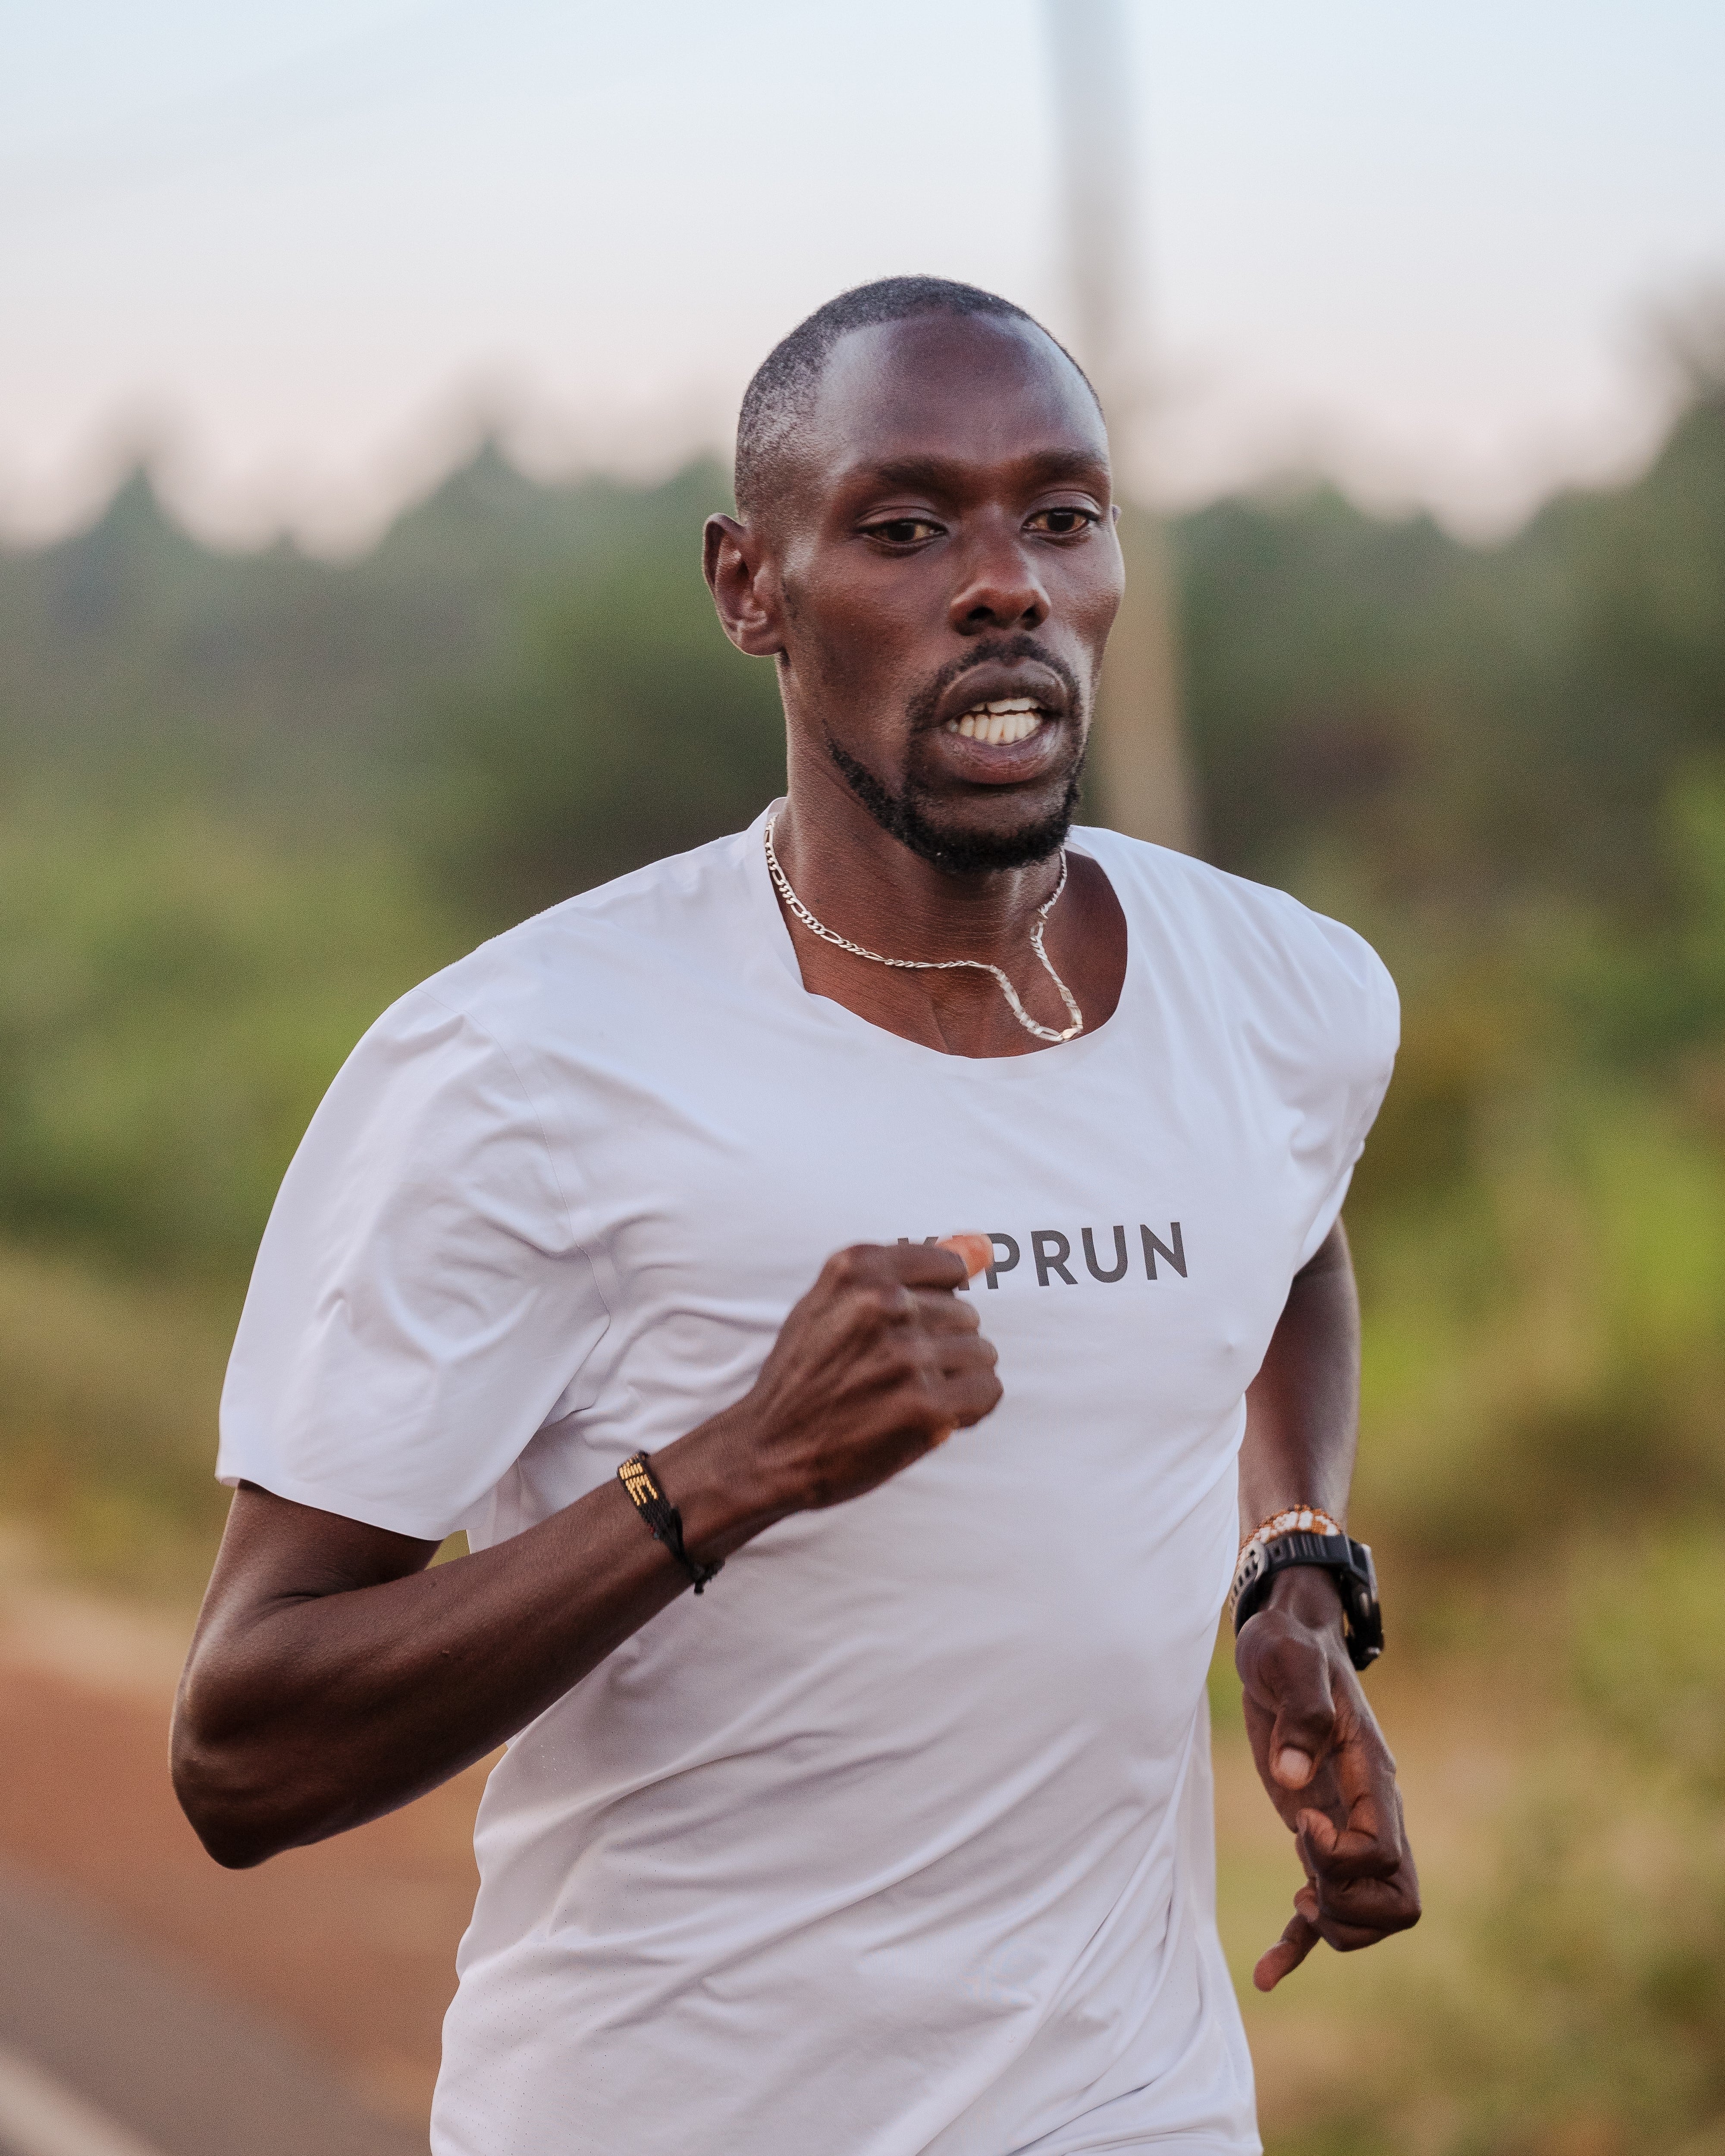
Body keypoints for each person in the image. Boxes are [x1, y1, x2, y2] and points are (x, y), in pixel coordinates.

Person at [172, 276, 1419, 2156]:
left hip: (1125, 2101)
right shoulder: (520, 1064)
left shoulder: (1279, 991)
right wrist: (732, 1467)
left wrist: (1293, 1566)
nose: (1002, 582)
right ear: (752, 587)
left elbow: (1289, 1234)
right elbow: (243, 1744)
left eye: (1058, 516)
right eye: (909, 527)